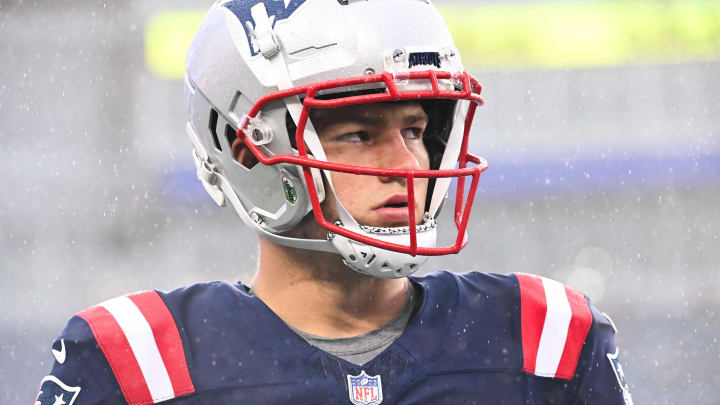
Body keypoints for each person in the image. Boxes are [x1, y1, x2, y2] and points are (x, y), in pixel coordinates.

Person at [34, 0, 633, 404]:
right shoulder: (133, 362)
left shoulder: (542, 337)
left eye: (416, 130)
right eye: (360, 134)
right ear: (248, 152)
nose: (406, 166)